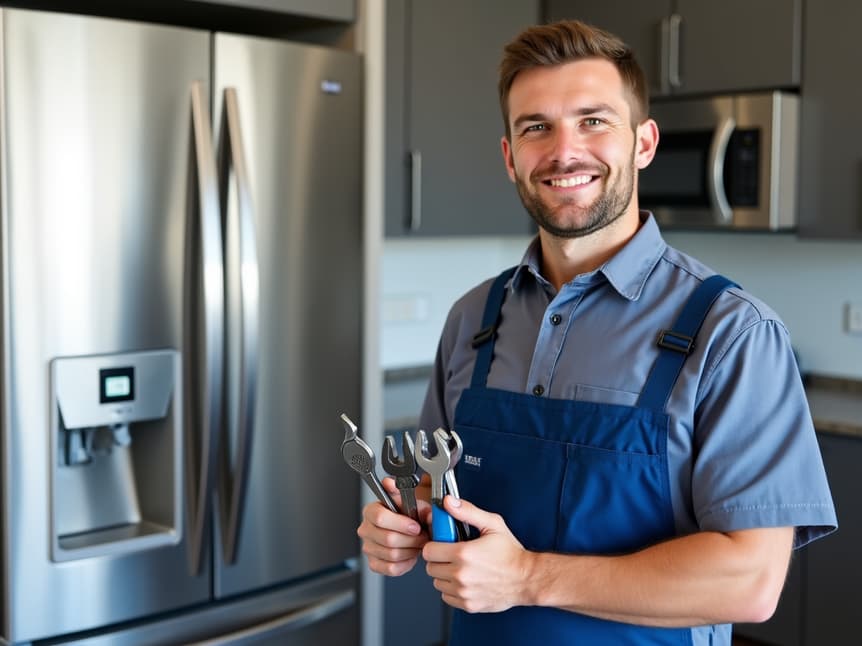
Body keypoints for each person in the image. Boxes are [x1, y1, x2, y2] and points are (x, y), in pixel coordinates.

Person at [358, 19, 837, 645]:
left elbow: (750, 581)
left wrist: (529, 577)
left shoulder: (734, 335)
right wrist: (404, 522)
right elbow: (436, 486)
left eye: (593, 121)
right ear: (509, 156)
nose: (564, 151)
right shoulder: (474, 318)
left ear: (643, 143)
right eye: (536, 127)